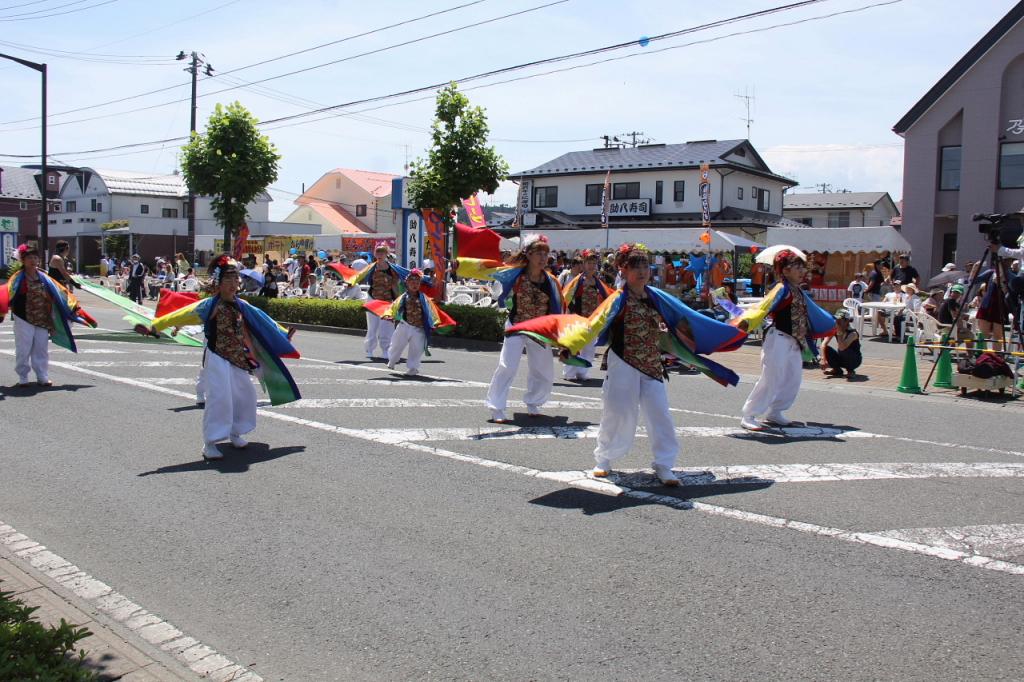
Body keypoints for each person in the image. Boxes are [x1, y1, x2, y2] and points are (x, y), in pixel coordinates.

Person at [145, 255, 301, 459]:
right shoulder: (209, 306)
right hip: (217, 356)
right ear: (218, 283)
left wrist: (282, 333)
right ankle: (210, 442)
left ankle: (236, 431)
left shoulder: (241, 305)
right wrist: (155, 326)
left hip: (238, 358)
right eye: (228, 280)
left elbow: (264, 321)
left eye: (236, 280)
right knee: (220, 398)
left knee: (245, 396)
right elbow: (180, 315)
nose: (233, 284)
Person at [737, 249, 836, 431]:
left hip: (794, 341)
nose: (801, 271)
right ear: (784, 271)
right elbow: (762, 308)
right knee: (771, 378)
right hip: (778, 339)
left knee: (793, 378)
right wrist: (746, 321)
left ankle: (776, 411)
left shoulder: (797, 289)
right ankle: (749, 414)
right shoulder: (781, 288)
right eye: (796, 267)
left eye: (802, 267)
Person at [485, 234, 564, 423]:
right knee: (507, 365)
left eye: (545, 254)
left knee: (543, 370)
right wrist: (499, 283)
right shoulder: (515, 275)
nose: (543, 258)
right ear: (528, 254)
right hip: (517, 325)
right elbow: (497, 293)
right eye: (538, 254)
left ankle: (533, 401)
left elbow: (558, 307)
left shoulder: (551, 281)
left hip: (539, 329)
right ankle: (497, 407)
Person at [3, 243, 97, 387]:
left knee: (41, 348)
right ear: (23, 260)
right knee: (24, 347)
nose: (33, 260)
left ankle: (42, 375)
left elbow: (60, 293)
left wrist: (75, 308)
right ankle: (23, 375)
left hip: (43, 317)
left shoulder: (44, 277)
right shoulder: (17, 278)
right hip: (23, 317)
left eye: (35, 257)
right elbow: (6, 295)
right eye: (29, 257)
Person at [385, 269, 456, 375]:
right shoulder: (403, 297)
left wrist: (435, 322)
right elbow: (394, 307)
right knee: (396, 345)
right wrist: (389, 315)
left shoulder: (424, 298)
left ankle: (413, 367)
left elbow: (433, 310)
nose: (414, 285)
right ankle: (392, 360)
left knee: (416, 349)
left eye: (417, 283)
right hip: (404, 326)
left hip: (419, 328)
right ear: (407, 284)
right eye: (412, 283)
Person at [561, 250, 612, 381]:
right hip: (577, 318)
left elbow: (607, 297)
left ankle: (583, 372)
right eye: (589, 262)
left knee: (589, 347)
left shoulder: (598, 282)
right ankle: (569, 372)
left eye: (594, 263)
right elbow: (566, 297)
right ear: (583, 264)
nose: (592, 266)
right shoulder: (578, 281)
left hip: (592, 319)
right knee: (574, 345)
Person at [357, 244, 401, 359]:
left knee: (387, 326)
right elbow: (358, 276)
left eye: (382, 252)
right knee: (373, 326)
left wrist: (397, 300)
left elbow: (396, 284)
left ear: (387, 254)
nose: (380, 255)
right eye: (378, 252)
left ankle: (386, 350)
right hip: (373, 299)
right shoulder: (371, 267)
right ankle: (369, 349)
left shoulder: (393, 269)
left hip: (387, 301)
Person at [822, 309, 862, 379]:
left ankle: (850, 370)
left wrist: (839, 332)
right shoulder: (835, 329)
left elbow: (842, 347)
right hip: (842, 358)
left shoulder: (853, 333)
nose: (837, 322)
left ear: (847, 321)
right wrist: (823, 359)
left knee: (843, 350)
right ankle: (837, 370)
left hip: (854, 360)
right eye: (836, 320)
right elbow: (823, 344)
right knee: (827, 349)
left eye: (840, 320)